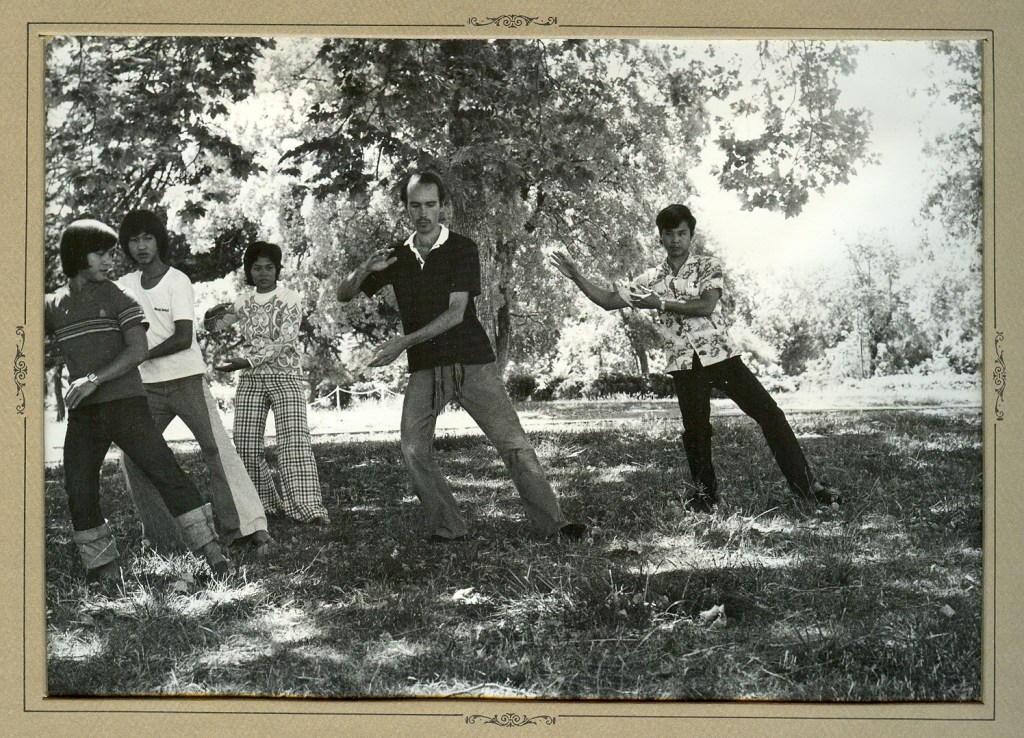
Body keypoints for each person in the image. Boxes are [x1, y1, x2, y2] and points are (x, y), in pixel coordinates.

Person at [336, 170, 585, 542]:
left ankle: (556, 524)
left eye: (431, 205)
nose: (423, 213)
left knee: (513, 444)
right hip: (426, 368)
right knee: (413, 447)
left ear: (443, 207)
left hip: (471, 361)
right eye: (415, 205)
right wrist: (364, 271)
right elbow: (343, 294)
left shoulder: (462, 248)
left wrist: (402, 343)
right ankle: (448, 526)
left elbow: (456, 314)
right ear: (405, 208)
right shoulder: (396, 256)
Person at [551, 204, 838, 512]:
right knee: (696, 432)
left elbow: (706, 306)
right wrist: (576, 276)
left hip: (721, 357)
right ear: (660, 237)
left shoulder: (708, 266)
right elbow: (608, 301)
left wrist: (660, 304)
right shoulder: (651, 278)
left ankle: (807, 487)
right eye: (669, 233)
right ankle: (705, 497)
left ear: (692, 235)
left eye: (682, 233)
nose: (675, 240)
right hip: (685, 364)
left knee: (770, 414)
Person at [44, 219, 233, 583]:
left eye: (110, 253)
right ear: (76, 254)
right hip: (84, 415)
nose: (108, 260)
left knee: (165, 472)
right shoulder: (53, 305)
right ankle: (104, 569)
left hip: (125, 404)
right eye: (100, 253)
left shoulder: (118, 295)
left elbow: (138, 350)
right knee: (78, 484)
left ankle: (214, 554)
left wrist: (93, 379)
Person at [115, 210, 274, 555]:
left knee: (217, 449)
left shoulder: (177, 280)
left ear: (159, 241)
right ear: (127, 246)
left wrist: (138, 355)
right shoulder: (124, 286)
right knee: (134, 456)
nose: (141, 246)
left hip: (186, 379)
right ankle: (163, 538)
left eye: (148, 238)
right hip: (146, 388)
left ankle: (249, 528)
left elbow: (184, 337)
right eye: (134, 240)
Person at [207, 241, 329, 524]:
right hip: (251, 380)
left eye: (269, 268)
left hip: (285, 376)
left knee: (294, 443)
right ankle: (263, 504)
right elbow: (213, 326)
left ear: (277, 269)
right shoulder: (243, 301)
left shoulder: (290, 298)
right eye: (257, 268)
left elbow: (285, 341)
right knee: (246, 445)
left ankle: (307, 510)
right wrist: (214, 314)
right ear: (249, 271)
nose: (263, 273)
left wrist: (244, 361)